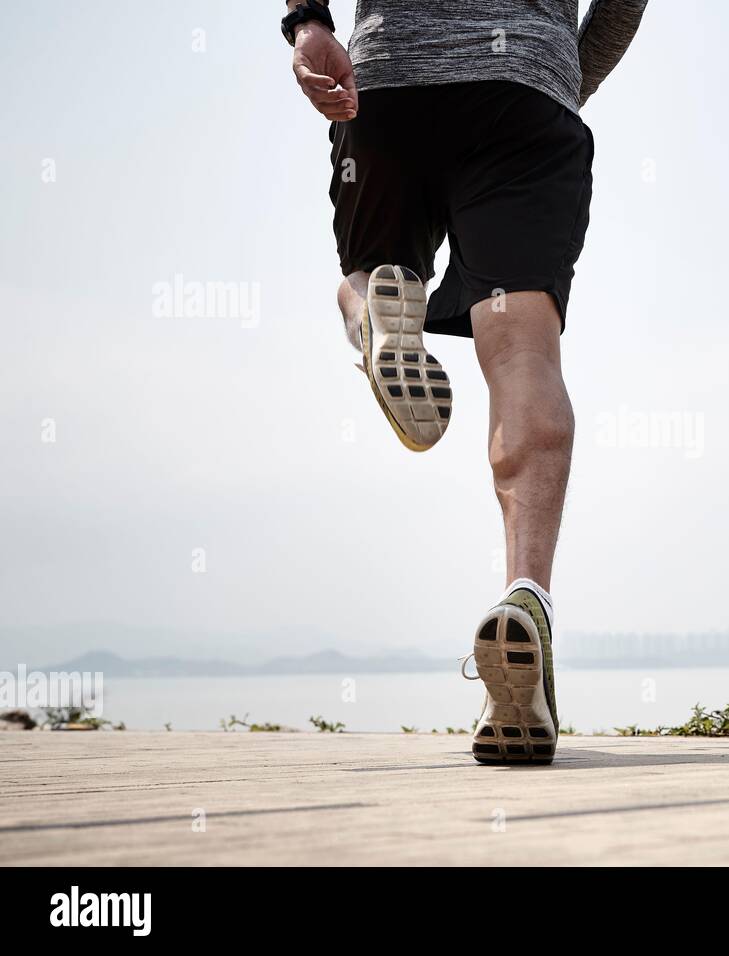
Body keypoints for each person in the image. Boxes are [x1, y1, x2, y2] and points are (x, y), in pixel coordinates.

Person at [282, 0, 648, 763]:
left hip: (387, 83)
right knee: (522, 347)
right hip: (522, 93)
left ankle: (371, 313)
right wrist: (555, 80)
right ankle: (527, 598)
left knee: (369, 270)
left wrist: (309, 23)